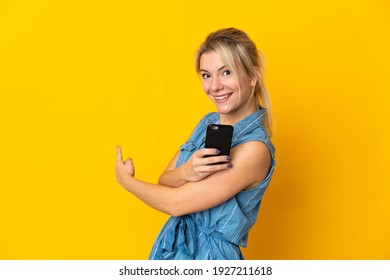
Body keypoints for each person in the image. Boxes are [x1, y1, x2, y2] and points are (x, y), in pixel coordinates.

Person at [115, 27, 276, 260]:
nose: (214, 86)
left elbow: (175, 203)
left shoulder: (255, 150)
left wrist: (127, 181)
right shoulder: (207, 124)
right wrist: (187, 170)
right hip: (172, 248)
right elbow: (165, 181)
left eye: (227, 72)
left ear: (252, 76)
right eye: (206, 75)